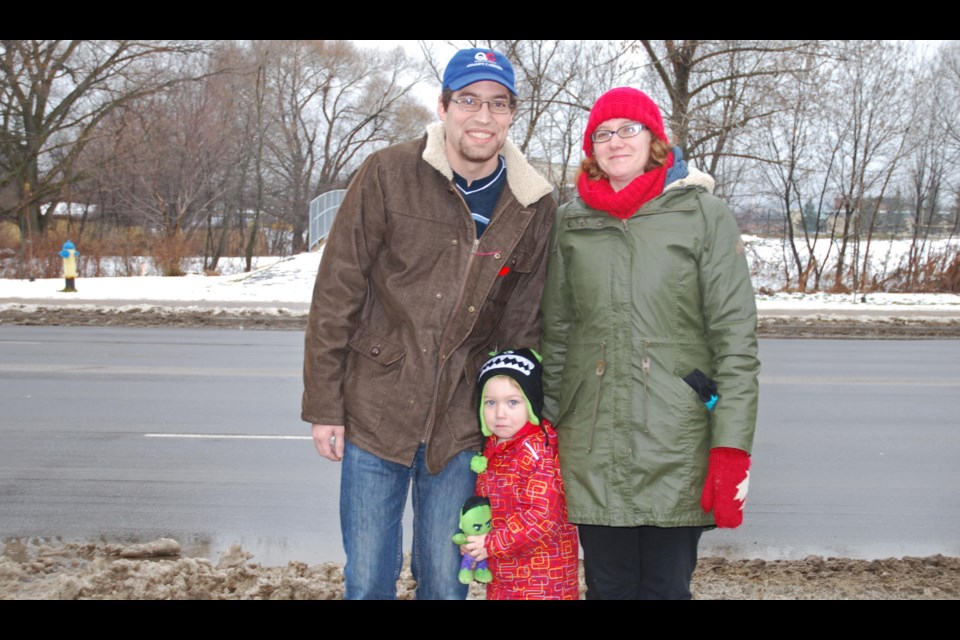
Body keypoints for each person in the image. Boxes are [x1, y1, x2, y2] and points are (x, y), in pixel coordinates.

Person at [301, 47, 557, 600]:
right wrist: (326, 405)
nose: (482, 116)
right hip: (376, 409)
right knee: (368, 577)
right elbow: (337, 291)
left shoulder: (532, 203)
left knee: (447, 580)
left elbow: (522, 324)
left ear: (512, 114)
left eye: (497, 103)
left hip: (464, 422)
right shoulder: (389, 172)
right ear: (443, 106)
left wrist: (515, 416)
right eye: (468, 100)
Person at [539, 86, 761, 600]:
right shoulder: (571, 221)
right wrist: (547, 430)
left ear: (656, 139)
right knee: (607, 586)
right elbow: (557, 333)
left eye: (629, 128)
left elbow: (735, 341)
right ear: (590, 148)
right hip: (591, 441)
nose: (616, 141)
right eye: (603, 133)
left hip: (676, 440)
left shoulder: (703, 215)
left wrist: (731, 447)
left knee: (665, 588)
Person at [461, 348, 580, 600]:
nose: (500, 413)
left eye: (512, 402)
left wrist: (490, 543)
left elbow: (542, 518)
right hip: (504, 577)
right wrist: (475, 539)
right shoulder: (495, 448)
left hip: (543, 581)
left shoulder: (540, 450)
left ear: (532, 404)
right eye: (490, 402)